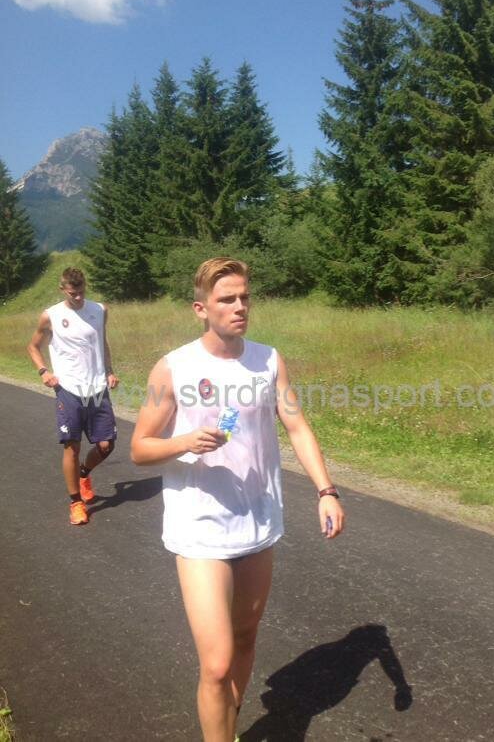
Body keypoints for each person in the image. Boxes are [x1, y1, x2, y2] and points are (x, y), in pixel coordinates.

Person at [130, 257, 345, 742]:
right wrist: (184, 442)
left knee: (246, 638)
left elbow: (297, 426)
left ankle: (226, 722)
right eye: (227, 299)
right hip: (199, 526)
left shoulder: (268, 360)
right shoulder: (174, 367)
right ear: (200, 308)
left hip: (257, 520)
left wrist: (326, 491)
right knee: (217, 661)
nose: (240, 306)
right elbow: (140, 448)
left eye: (245, 296)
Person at [27, 267, 119, 525]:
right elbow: (33, 346)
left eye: (81, 292)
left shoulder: (100, 310)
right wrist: (44, 371)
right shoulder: (51, 316)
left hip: (97, 388)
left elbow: (103, 342)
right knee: (73, 446)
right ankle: (76, 502)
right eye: (72, 293)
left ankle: (84, 473)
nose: (78, 298)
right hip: (68, 389)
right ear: (62, 290)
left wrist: (109, 370)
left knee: (106, 445)